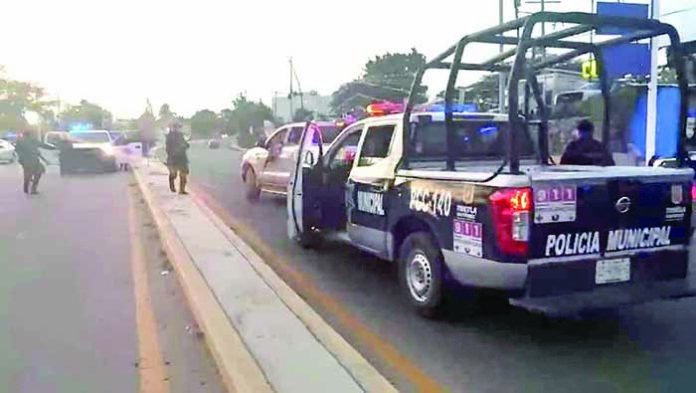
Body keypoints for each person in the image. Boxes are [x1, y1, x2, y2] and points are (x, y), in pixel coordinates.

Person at [14, 130, 53, 194]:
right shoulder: (33, 140)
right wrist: (52, 147)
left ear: (23, 135)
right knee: (38, 172)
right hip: (34, 160)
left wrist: (21, 158)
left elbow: (17, 150)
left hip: (25, 161)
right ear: (30, 135)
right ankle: (33, 189)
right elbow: (42, 145)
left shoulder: (19, 141)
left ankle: (26, 185)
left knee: (27, 173)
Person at [165, 122, 190, 194]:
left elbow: (186, 145)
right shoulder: (169, 137)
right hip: (173, 158)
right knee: (173, 174)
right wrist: (174, 153)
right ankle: (171, 183)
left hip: (182, 158)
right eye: (175, 127)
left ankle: (182, 190)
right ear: (172, 128)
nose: (177, 129)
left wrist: (185, 145)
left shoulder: (181, 136)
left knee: (184, 175)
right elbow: (168, 149)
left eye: (178, 127)